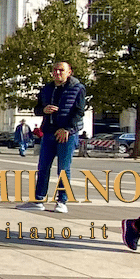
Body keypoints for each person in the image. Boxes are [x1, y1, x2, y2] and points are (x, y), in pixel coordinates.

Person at [17, 61, 86, 214]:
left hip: (67, 134)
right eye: (55, 70)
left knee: (63, 168)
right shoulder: (46, 89)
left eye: (61, 70)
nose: (57, 73)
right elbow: (37, 109)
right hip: (49, 132)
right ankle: (38, 199)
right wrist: (44, 110)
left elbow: (79, 112)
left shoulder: (77, 88)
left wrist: (67, 129)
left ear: (69, 72)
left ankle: (62, 201)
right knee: (43, 167)